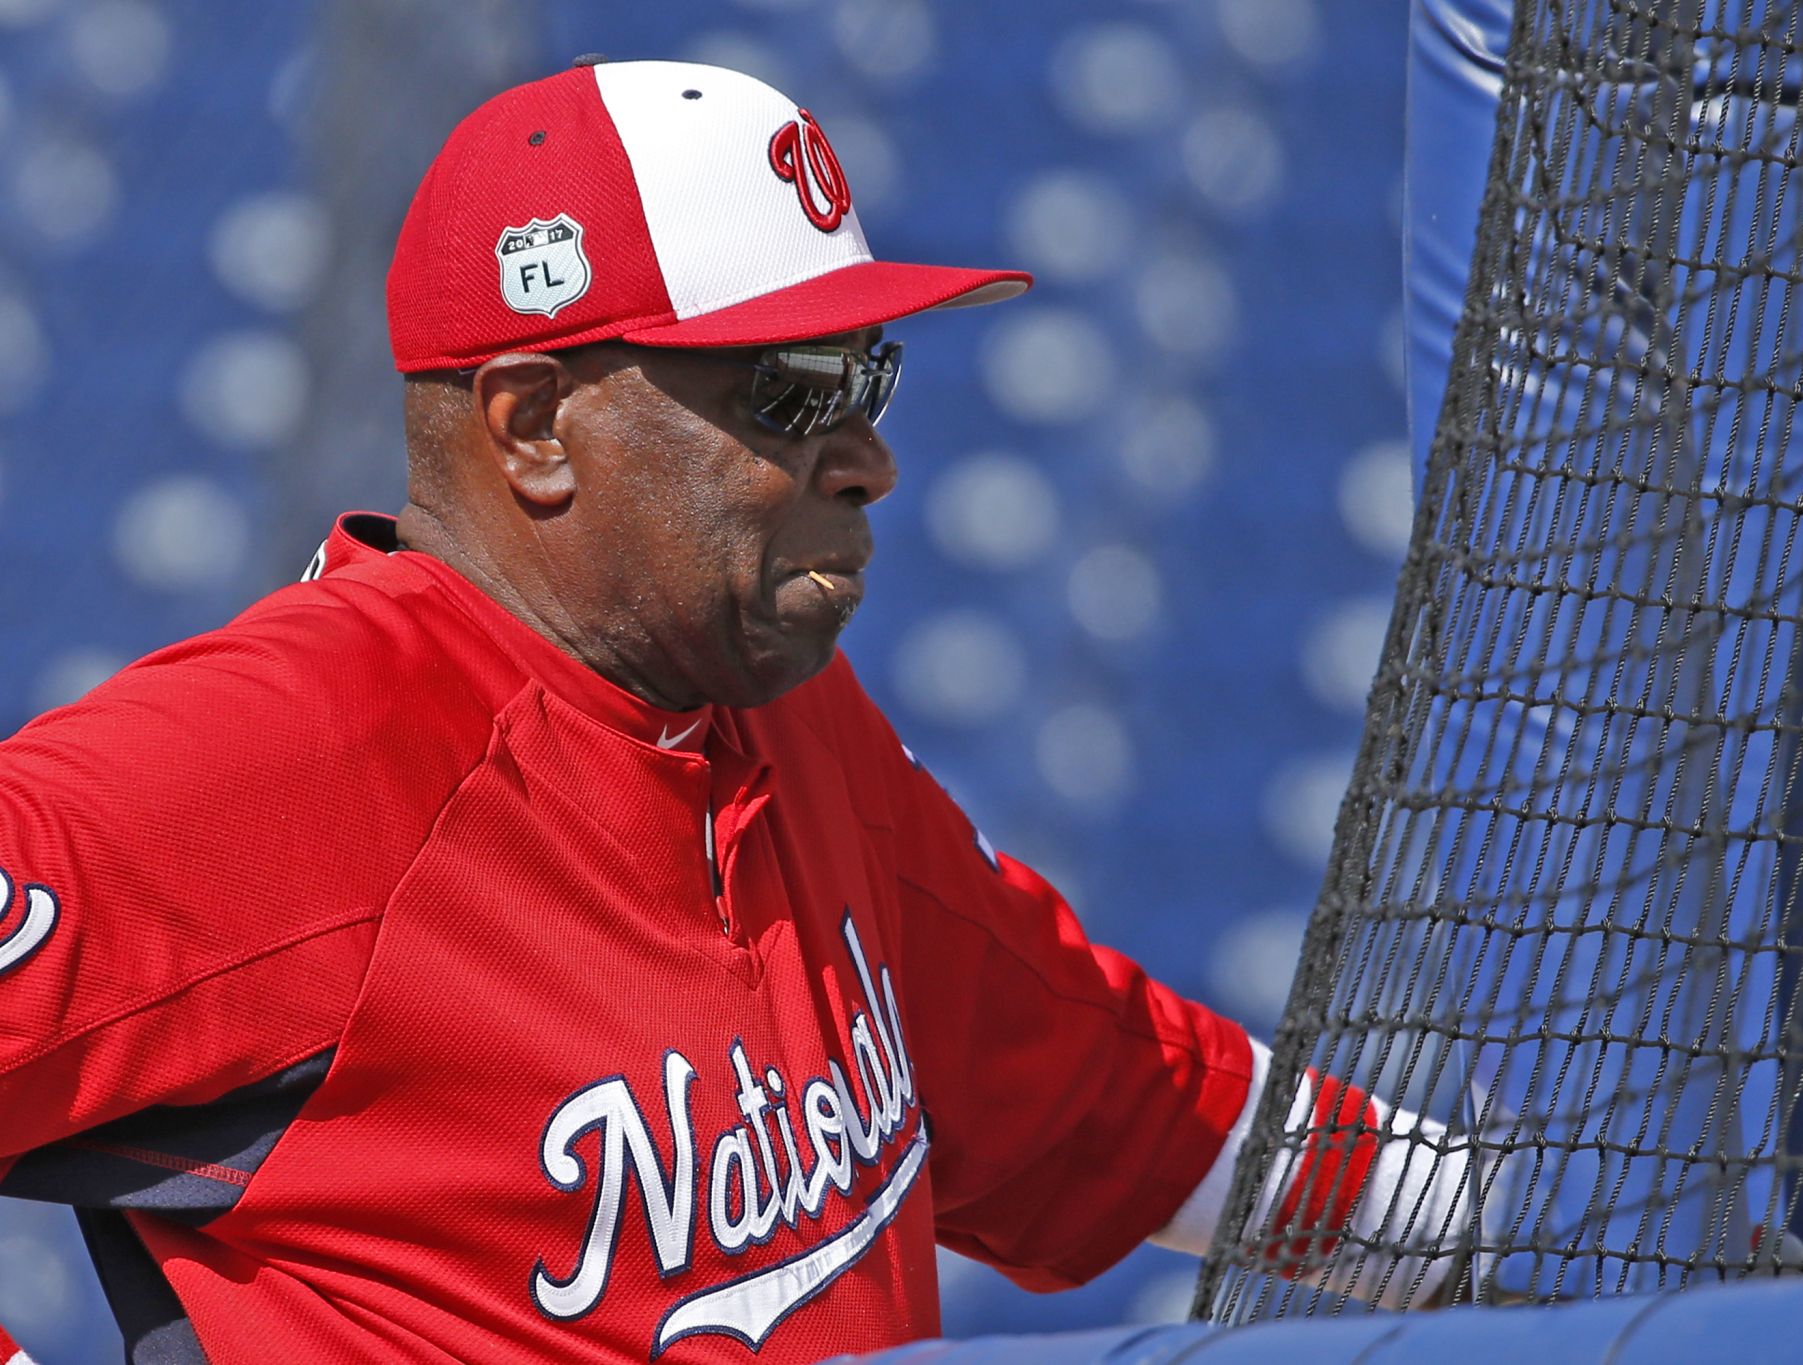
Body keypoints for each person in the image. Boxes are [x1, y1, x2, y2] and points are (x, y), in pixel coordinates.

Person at [0, 59, 1470, 1364]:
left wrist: (1498, 1228)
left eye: (872, 372)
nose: (871, 456)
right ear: (532, 426)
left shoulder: (776, 718)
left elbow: (1086, 1083)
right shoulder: (291, 756)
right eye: (796, 386)